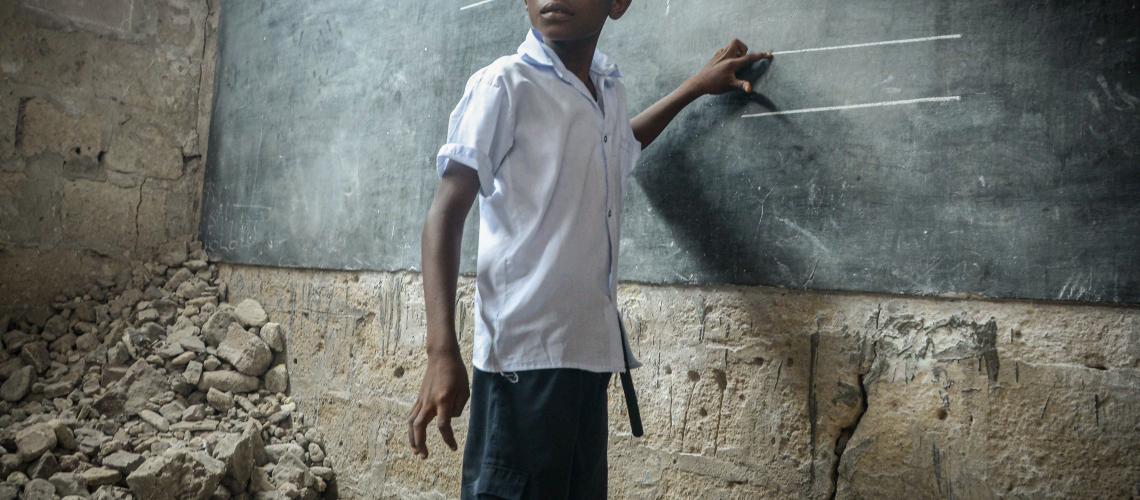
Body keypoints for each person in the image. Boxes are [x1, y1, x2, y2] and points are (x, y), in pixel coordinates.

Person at [410, 0, 772, 497]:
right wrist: (440, 351)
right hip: (523, 363)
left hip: (588, 358)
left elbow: (617, 146)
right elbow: (444, 216)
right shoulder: (505, 84)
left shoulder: (605, 89)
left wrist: (693, 88)